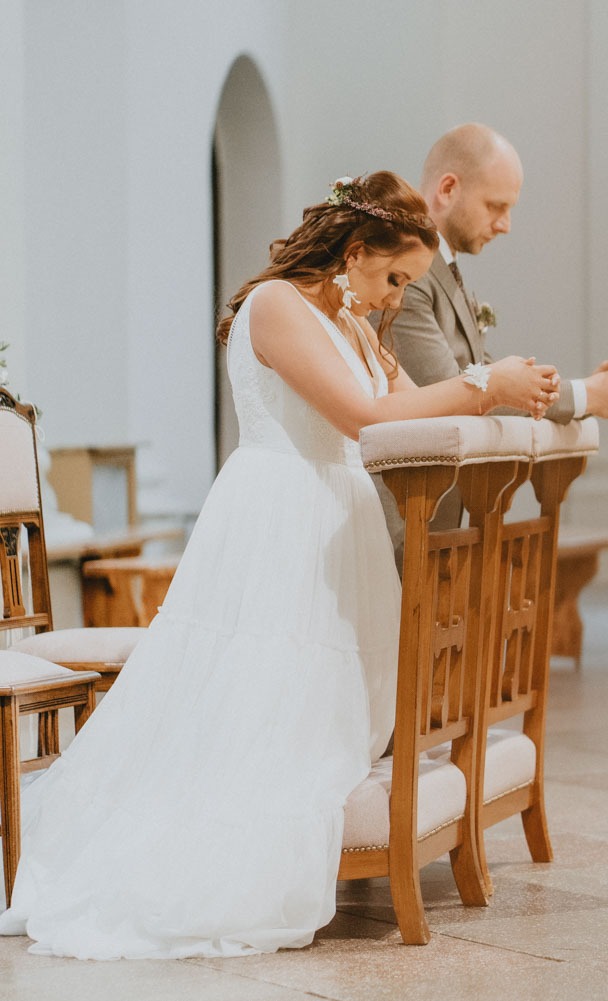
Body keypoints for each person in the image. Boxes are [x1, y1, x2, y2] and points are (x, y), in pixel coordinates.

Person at [0, 171, 559, 960]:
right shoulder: (275, 307)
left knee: (328, 709)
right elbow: (362, 417)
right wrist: (479, 386)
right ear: (356, 249)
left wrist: (497, 390)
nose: (394, 294)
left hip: (345, 515)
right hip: (280, 509)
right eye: (394, 276)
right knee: (260, 698)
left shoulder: (357, 324)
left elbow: (408, 400)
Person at [385, 123, 608, 424]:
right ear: (448, 189)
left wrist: (596, 393)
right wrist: (592, 394)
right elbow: (448, 395)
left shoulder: (440, 268)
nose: (505, 226)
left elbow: (483, 379)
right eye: (495, 206)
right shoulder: (403, 276)